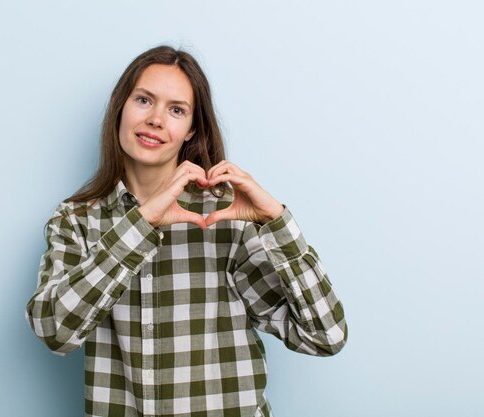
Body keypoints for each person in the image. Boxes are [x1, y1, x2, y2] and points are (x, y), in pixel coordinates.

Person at [25, 45, 347, 417]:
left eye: (176, 110)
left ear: (191, 128)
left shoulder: (226, 217)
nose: (157, 120)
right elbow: (54, 331)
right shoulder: (76, 220)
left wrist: (277, 222)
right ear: (120, 106)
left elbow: (326, 336)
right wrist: (139, 225)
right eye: (144, 100)